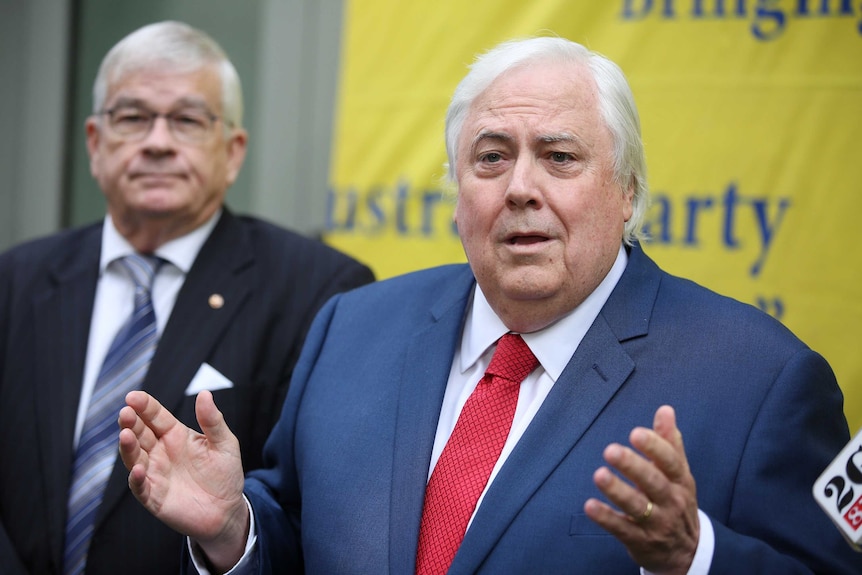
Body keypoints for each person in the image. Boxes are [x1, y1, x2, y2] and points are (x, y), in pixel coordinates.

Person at [117, 36, 861, 574]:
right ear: (457, 195)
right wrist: (233, 528)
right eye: (491, 156)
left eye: (560, 156)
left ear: (628, 191)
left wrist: (694, 556)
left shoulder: (763, 380)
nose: (520, 188)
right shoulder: (354, 327)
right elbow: (297, 535)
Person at [0, 20, 374, 575]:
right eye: (132, 118)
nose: (157, 141)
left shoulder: (322, 292)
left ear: (233, 151)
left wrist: (229, 536)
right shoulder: (16, 279)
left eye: (186, 120)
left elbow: (322, 516)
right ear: (95, 144)